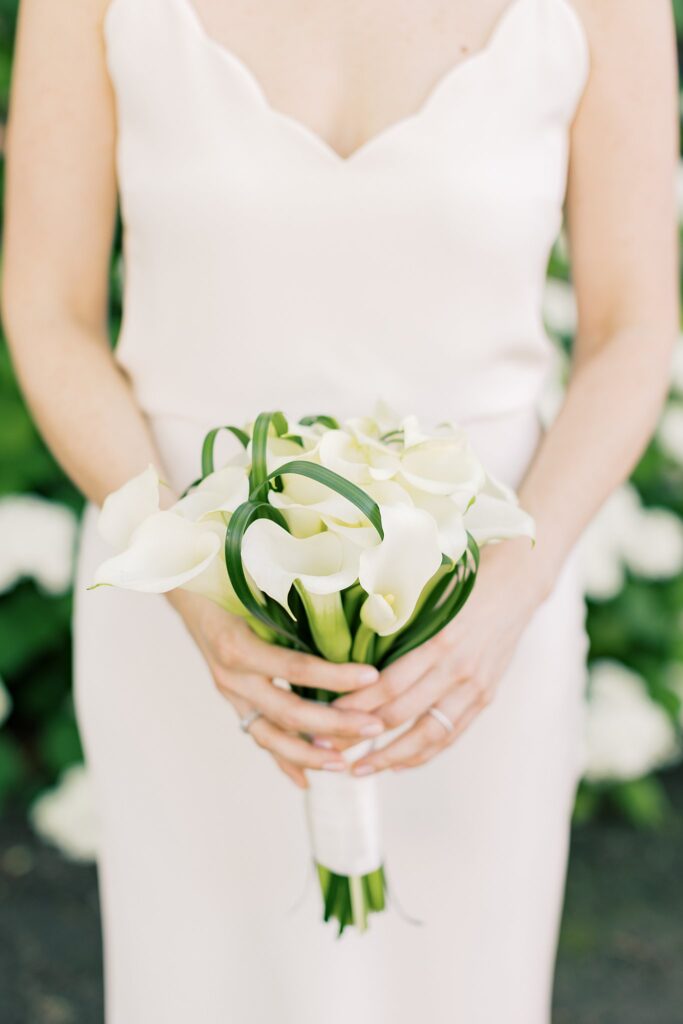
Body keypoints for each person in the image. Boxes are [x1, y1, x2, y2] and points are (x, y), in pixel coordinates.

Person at [2, 1, 678, 1021]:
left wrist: (506, 599)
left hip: (475, 641)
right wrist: (189, 580)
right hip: (187, 623)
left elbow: (631, 329)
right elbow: (49, 312)